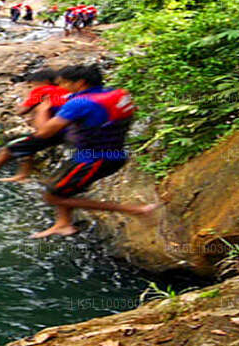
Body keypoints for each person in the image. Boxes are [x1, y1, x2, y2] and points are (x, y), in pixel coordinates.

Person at [26, 64, 158, 238]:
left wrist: (42, 110)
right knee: (61, 186)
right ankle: (63, 224)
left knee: (52, 196)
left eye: (63, 83)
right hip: (111, 153)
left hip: (94, 159)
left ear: (80, 83)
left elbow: (43, 133)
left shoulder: (80, 103)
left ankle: (136, 210)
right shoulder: (117, 93)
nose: (59, 88)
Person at [0, 69, 69, 181]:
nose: (31, 88)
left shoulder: (43, 90)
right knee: (27, 148)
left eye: (31, 85)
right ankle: (22, 175)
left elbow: (24, 109)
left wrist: (12, 112)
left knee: (8, 148)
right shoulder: (64, 92)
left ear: (42, 82)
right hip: (63, 128)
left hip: (50, 130)